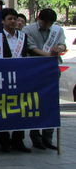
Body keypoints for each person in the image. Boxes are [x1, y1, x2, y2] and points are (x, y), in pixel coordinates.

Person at [23, 8, 67, 150]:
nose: (47, 26)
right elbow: (31, 48)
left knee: (51, 102)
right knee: (35, 102)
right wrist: (48, 55)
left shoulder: (57, 30)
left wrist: (59, 49)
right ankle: (35, 137)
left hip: (52, 70)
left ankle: (48, 137)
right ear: (38, 18)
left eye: (50, 23)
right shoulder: (28, 30)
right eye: (45, 23)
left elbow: (63, 44)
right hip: (35, 69)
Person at [0, 8, 32, 153]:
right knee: (1, 109)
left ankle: (18, 140)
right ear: (3, 21)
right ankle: (4, 142)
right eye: (10, 19)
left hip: (20, 77)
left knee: (20, 109)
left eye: (15, 19)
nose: (13, 21)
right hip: (2, 78)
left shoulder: (23, 37)